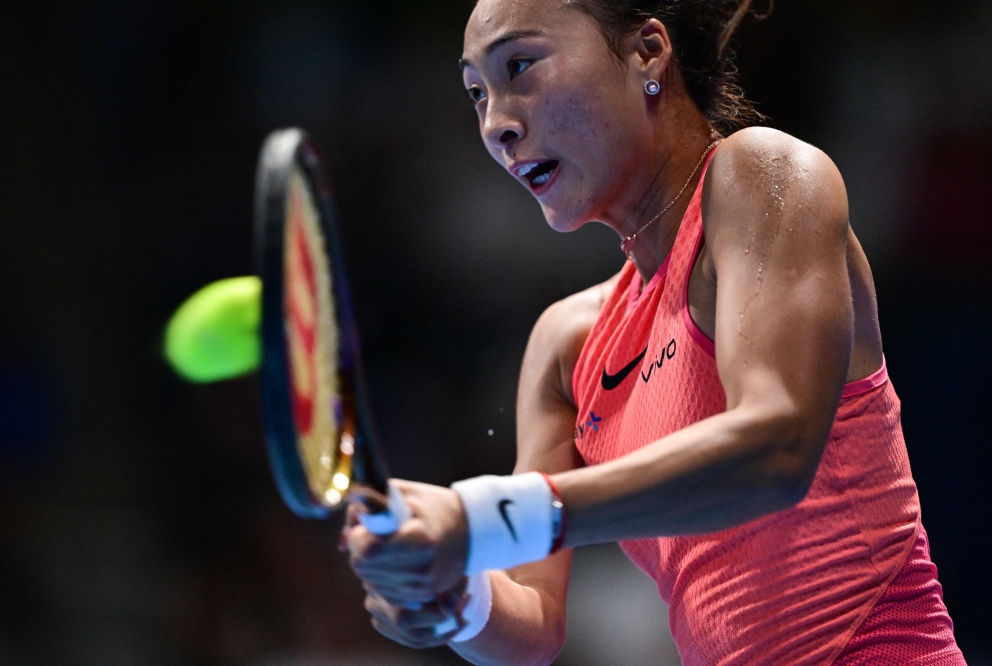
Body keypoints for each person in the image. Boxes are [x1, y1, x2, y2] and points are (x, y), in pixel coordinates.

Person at [343, 0, 966, 664]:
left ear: (647, 52)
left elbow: (775, 449)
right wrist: (456, 593)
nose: (496, 124)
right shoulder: (566, 344)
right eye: (476, 93)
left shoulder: (764, 177)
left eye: (519, 66)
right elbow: (534, 622)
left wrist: (479, 519)